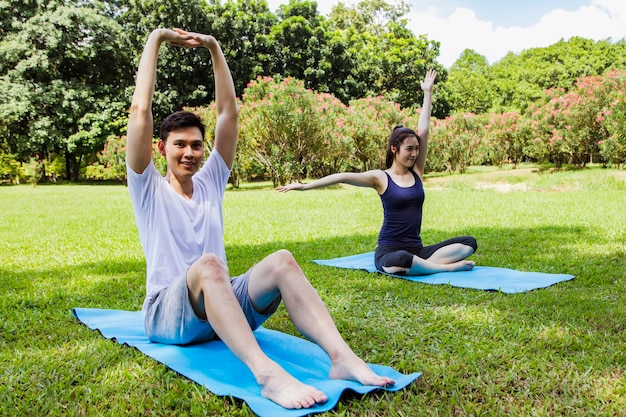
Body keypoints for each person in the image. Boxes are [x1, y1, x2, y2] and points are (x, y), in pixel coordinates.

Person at [125, 28, 394, 410]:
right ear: (162, 148)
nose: (190, 152)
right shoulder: (147, 188)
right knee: (209, 265)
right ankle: (267, 376)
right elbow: (140, 112)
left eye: (197, 145)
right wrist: (155, 39)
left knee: (282, 260)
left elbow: (227, 113)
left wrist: (215, 48)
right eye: (179, 144)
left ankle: (342, 358)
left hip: (218, 309)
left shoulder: (211, 181)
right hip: (167, 316)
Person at [277, 70, 477, 275]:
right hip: (389, 251)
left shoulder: (417, 171)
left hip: (417, 250)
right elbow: (343, 176)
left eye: (417, 149)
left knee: (468, 243)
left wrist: (428, 92)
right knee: (401, 259)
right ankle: (445, 268)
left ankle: (426, 267)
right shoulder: (381, 178)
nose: (414, 153)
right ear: (394, 149)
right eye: (409, 149)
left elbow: (423, 130)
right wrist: (305, 186)